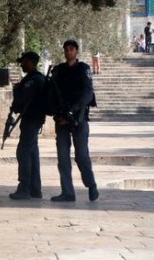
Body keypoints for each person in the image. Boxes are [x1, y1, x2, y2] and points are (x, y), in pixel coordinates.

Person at [51, 40, 99, 202]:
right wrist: (58, 114)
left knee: (81, 156)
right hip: (62, 120)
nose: (68, 52)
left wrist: (73, 110)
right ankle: (67, 192)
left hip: (79, 118)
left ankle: (91, 185)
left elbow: (87, 93)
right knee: (63, 158)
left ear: (76, 51)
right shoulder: (59, 71)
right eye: (65, 49)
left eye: (71, 49)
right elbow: (52, 94)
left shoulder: (83, 69)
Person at [9, 51, 47, 200]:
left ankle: (24, 187)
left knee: (23, 152)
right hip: (33, 119)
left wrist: (17, 90)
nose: (22, 64)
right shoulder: (34, 79)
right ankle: (35, 189)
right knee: (32, 153)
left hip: (32, 119)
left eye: (24, 62)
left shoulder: (33, 80)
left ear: (31, 62)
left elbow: (20, 101)